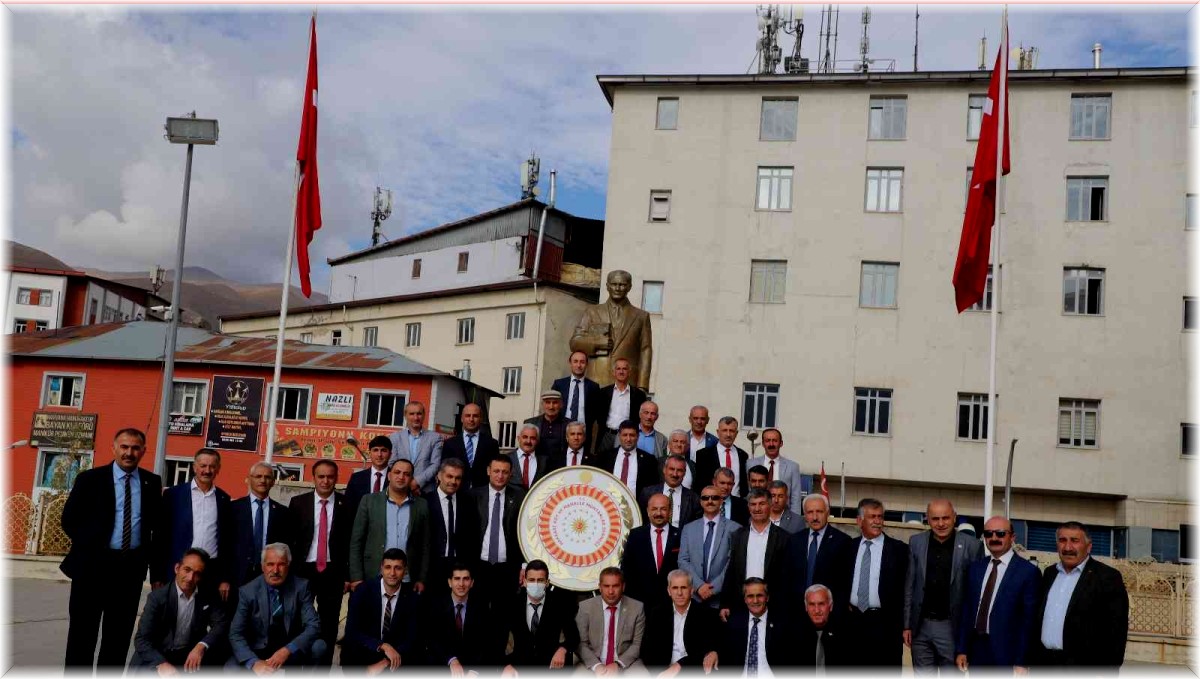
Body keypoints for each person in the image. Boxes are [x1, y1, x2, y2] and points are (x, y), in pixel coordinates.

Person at [61, 428, 164, 668]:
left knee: (117, 638)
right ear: (114, 448)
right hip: (91, 569)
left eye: (135, 448)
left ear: (143, 451)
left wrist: (157, 574)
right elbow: (69, 520)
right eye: (124, 447)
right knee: (82, 636)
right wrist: (94, 549)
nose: (129, 453)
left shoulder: (151, 482)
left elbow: (157, 532)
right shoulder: (90, 479)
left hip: (129, 571)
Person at [1031, 521, 1129, 669]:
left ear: (1089, 547)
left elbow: (1117, 631)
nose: (1068, 547)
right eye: (1062, 540)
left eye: (1075, 541)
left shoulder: (1107, 577)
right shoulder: (1050, 573)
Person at [902, 499, 982, 674]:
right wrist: (907, 624)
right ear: (928, 520)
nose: (940, 523)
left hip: (952, 627)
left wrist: (967, 635)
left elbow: (974, 594)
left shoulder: (973, 546)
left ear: (954, 518)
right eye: (935, 518)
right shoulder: (916, 542)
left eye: (945, 518)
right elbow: (910, 585)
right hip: (920, 626)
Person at [955, 516, 1039, 672]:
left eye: (1000, 534)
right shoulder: (975, 568)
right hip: (977, 651)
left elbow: (1029, 622)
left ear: (1012, 537)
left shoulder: (1028, 572)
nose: (994, 538)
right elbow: (967, 611)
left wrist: (1022, 660)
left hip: (1007, 655)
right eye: (988, 534)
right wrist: (962, 649)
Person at [287, 459, 350, 666]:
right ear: (313, 477)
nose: (325, 481)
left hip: (333, 571)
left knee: (329, 623)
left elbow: (351, 542)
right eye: (321, 476)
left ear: (336, 478)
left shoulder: (347, 504)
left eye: (330, 476)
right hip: (303, 570)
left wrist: (348, 576)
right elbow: (290, 540)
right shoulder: (298, 503)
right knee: (297, 620)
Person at [228, 543, 327, 670]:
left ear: (288, 566)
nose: (275, 571)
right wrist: (254, 662)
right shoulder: (248, 591)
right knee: (230, 667)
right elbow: (236, 634)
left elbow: (313, 626)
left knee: (319, 646)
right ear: (263, 566)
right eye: (270, 564)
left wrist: (288, 649)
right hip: (259, 649)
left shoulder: (301, 587)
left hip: (290, 649)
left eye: (281, 564)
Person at [154, 448, 234, 601]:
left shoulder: (224, 499)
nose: (207, 470)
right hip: (179, 570)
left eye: (212, 466)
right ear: (194, 467)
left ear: (218, 469)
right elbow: (161, 537)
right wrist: (157, 576)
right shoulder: (173, 495)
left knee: (203, 618)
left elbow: (227, 542)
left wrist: (225, 578)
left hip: (211, 572)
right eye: (203, 466)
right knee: (173, 618)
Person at [132, 548, 229, 672]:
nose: (190, 578)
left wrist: (201, 646)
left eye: (197, 574)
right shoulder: (158, 597)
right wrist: (161, 663)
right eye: (187, 570)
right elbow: (141, 640)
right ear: (177, 568)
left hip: (188, 654)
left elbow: (220, 623)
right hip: (157, 654)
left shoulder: (208, 594)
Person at [841, 498, 909, 669]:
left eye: (880, 517)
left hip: (885, 626)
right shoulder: (848, 547)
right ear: (859, 521)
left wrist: (905, 625)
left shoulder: (899, 550)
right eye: (872, 517)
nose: (878, 521)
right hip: (853, 623)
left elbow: (906, 590)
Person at [348, 458, 431, 593]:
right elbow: (356, 541)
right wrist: (356, 576)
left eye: (406, 474)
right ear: (389, 475)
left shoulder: (421, 505)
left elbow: (425, 545)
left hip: (407, 578)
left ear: (411, 478)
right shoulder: (369, 501)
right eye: (397, 472)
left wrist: (421, 579)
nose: (401, 477)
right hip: (373, 575)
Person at [570, 269, 654, 390]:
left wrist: (643, 386)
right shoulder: (592, 312)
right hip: (596, 381)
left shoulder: (641, 316)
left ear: (629, 287)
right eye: (614, 284)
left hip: (627, 383)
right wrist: (597, 342)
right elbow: (574, 343)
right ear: (607, 286)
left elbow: (646, 351)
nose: (618, 288)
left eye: (622, 285)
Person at [341, 548, 421, 671]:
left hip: (396, 657)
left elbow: (412, 638)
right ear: (381, 568)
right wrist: (382, 646)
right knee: (350, 648)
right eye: (388, 567)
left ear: (405, 571)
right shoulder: (363, 591)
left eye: (398, 568)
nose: (392, 573)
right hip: (367, 651)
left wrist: (386, 662)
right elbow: (352, 631)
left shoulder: (412, 598)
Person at [719, 489, 789, 619]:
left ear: (770, 505)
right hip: (740, 604)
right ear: (748, 507)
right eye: (753, 504)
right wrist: (725, 603)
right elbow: (731, 571)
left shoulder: (784, 538)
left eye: (762, 503)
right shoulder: (738, 535)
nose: (757, 508)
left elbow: (787, 577)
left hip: (773, 606)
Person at [501, 559, 580, 672]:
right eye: (532, 580)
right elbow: (498, 640)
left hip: (550, 668)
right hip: (519, 667)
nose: (536, 584)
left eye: (540, 580)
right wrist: (506, 665)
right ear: (524, 581)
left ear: (547, 582)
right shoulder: (512, 605)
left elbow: (574, 637)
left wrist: (563, 649)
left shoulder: (560, 605)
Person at [422, 563, 499, 672]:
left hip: (472, 667)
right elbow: (433, 640)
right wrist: (451, 660)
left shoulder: (481, 607)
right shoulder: (436, 606)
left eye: (466, 579)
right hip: (443, 663)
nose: (461, 584)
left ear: (472, 583)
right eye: (457, 579)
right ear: (450, 582)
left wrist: (474, 671)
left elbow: (485, 643)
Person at [472, 455, 526, 611]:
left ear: (511, 473)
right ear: (488, 471)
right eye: (496, 471)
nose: (500, 476)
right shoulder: (473, 495)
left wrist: (523, 564)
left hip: (507, 568)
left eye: (504, 472)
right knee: (478, 615)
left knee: (502, 617)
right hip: (479, 566)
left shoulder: (520, 497)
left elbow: (525, 531)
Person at [641, 570, 719, 674]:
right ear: (669, 591)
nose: (679, 593)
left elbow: (703, 652)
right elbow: (647, 649)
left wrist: (680, 665)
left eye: (683, 587)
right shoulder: (657, 613)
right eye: (675, 588)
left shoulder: (705, 614)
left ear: (691, 590)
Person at [230, 463, 295, 588]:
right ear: (249, 479)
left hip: (270, 574)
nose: (262, 480)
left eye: (267, 477)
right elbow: (225, 545)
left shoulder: (283, 513)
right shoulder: (233, 509)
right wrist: (224, 578)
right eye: (258, 476)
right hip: (238, 575)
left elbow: (287, 546)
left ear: (273, 482)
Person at [784, 493, 851, 613]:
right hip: (797, 613)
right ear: (804, 515)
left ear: (827, 512)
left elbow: (844, 584)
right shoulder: (794, 541)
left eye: (819, 511)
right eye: (810, 512)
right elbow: (787, 578)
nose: (815, 517)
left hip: (828, 613)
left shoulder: (842, 542)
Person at [677, 486, 742, 609]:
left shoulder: (735, 529)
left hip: (721, 600)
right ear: (701, 501)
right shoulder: (688, 528)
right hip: (694, 598)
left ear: (721, 501)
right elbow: (683, 560)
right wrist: (699, 586)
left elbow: (732, 562)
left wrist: (713, 588)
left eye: (715, 498)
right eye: (706, 498)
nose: (710, 501)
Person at [576, 567, 646, 674]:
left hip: (626, 663)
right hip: (592, 662)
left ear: (623, 586)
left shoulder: (636, 608)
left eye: (615, 586)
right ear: (600, 587)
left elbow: (637, 645)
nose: (611, 591)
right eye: (606, 586)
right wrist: (597, 666)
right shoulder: (585, 607)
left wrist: (618, 664)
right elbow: (581, 644)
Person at [426, 458, 479, 599]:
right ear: (439, 475)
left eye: (458, 478)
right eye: (449, 476)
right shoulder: (425, 502)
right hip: (432, 569)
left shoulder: (468, 502)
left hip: (459, 569)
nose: (453, 481)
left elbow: (473, 538)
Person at [719, 578, 796, 675]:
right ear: (745, 599)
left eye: (759, 595)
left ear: (767, 597)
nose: (755, 601)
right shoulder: (734, 623)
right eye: (750, 596)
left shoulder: (783, 623)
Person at [621, 493, 680, 608]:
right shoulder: (635, 535)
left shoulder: (681, 535)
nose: (658, 513)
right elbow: (627, 569)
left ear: (670, 512)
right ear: (648, 511)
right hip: (640, 603)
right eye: (654, 509)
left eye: (663, 509)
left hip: (671, 603)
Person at [592, 358, 649, 452]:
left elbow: (640, 417)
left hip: (627, 437)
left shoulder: (639, 395)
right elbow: (598, 414)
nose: (621, 372)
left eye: (624, 369)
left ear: (629, 372)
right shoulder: (603, 392)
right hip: (606, 435)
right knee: (602, 464)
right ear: (613, 372)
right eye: (618, 369)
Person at [387, 400, 443, 495]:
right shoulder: (395, 437)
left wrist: (417, 482)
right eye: (412, 414)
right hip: (400, 489)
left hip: (426, 491)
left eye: (419, 414)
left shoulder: (435, 438)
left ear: (424, 415)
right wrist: (406, 482)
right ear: (405, 416)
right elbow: (392, 462)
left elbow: (435, 465)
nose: (416, 418)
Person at [440, 404, 499, 490]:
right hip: (457, 492)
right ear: (461, 418)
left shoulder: (491, 444)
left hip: (482, 493)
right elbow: (444, 470)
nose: (471, 419)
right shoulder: (450, 444)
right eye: (468, 416)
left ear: (481, 419)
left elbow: (495, 469)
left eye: (475, 416)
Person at [746, 429, 805, 513]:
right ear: (763, 444)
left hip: (783, 516)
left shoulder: (792, 467)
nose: (771, 444)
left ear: (781, 443)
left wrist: (794, 522)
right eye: (767, 441)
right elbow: (748, 492)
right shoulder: (750, 464)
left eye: (774, 441)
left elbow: (796, 498)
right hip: (757, 513)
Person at [638, 454, 700, 528]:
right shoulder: (648, 493)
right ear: (664, 470)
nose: (675, 474)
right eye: (672, 469)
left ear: (684, 473)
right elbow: (640, 520)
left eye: (679, 470)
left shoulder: (694, 498)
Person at [599, 419, 661, 493]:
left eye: (632, 435)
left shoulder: (649, 461)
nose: (628, 439)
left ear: (637, 437)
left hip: (636, 503)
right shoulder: (605, 457)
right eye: (625, 435)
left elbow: (652, 488)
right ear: (619, 436)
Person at [552, 350, 601, 441]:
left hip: (584, 433)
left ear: (586, 364)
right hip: (561, 431)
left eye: (582, 362)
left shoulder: (593, 387)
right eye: (575, 361)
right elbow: (552, 407)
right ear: (570, 363)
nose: (579, 365)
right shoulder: (559, 384)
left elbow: (597, 411)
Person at [796, 584, 847, 670]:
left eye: (821, 604)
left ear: (831, 606)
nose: (817, 610)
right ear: (806, 607)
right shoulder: (795, 636)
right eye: (812, 604)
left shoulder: (845, 634)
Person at [695, 417, 748, 497]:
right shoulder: (703, 455)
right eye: (724, 430)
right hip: (712, 504)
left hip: (737, 505)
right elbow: (699, 485)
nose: (728, 434)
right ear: (718, 432)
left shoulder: (743, 455)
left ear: (736, 433)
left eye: (732, 431)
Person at [346, 436, 395, 518]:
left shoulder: (396, 478)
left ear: (390, 454)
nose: (379, 455)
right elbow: (349, 507)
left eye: (383, 450)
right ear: (369, 453)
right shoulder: (356, 478)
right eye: (375, 450)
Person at [525, 390, 569, 461]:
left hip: (560, 466)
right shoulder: (531, 423)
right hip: (537, 465)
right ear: (542, 405)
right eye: (548, 402)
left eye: (555, 403)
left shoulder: (569, 424)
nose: (551, 407)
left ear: (561, 404)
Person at [510, 424, 549, 490]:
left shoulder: (545, 462)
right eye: (525, 437)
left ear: (537, 441)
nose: (528, 441)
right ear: (519, 438)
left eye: (532, 438)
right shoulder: (507, 459)